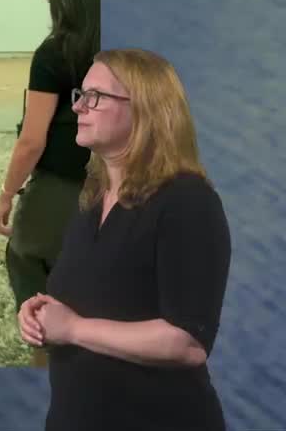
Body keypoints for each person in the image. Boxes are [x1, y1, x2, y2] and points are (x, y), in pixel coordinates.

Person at [18, 49, 231, 431]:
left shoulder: (187, 202)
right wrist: (41, 314)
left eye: (95, 96)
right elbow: (94, 299)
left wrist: (73, 329)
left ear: (146, 111)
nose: (79, 107)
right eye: (79, 95)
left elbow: (187, 341)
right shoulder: (92, 198)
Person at [0, 0, 100, 366]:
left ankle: (50, 364)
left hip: (63, 185)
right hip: (123, 183)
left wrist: (6, 194)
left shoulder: (56, 53)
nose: (49, 5)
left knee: (27, 260)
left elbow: (32, 140)